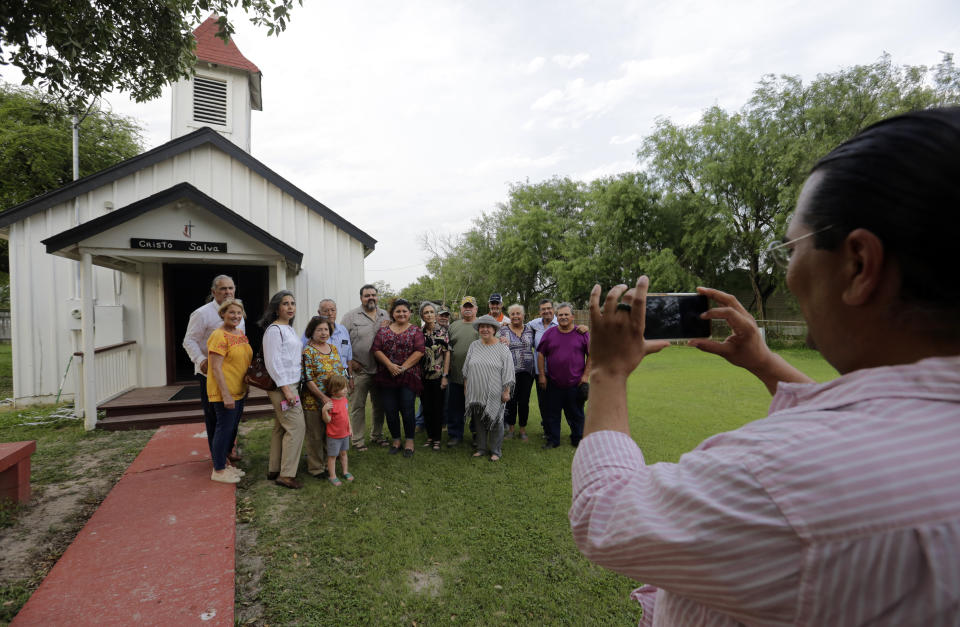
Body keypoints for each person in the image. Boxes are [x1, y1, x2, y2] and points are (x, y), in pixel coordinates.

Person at [570, 108, 960, 626]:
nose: (791, 273)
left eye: (791, 248)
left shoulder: (781, 476)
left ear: (860, 264)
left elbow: (606, 514)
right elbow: (879, 419)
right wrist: (766, 363)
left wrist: (607, 373)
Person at [183, 274, 245, 460]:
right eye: (223, 288)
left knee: (234, 416)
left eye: (231, 288)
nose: (228, 292)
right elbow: (189, 340)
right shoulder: (202, 313)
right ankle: (217, 456)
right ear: (213, 292)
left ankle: (228, 450)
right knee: (215, 418)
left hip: (234, 375)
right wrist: (201, 360)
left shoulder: (238, 312)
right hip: (211, 373)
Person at [260, 290, 305, 489]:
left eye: (292, 303)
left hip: (292, 383)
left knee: (281, 427)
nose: (290, 307)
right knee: (296, 427)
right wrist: (286, 389)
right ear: (277, 307)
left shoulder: (289, 328)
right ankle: (286, 475)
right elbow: (273, 362)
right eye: (285, 303)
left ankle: (274, 468)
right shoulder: (274, 330)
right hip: (283, 387)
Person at [205, 298, 252, 484]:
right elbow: (215, 367)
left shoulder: (240, 333)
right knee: (223, 430)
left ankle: (224, 465)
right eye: (231, 312)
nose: (235, 316)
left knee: (231, 429)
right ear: (222, 314)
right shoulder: (219, 335)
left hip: (239, 389)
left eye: (239, 313)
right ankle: (218, 470)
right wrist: (225, 394)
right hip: (225, 391)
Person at [371, 298, 425, 457]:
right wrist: (390, 365)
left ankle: (409, 440)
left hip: (408, 375)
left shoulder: (415, 331)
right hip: (387, 375)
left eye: (404, 311)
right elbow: (376, 349)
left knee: (407, 409)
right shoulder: (383, 330)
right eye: (398, 311)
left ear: (409, 313)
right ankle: (396, 440)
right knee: (390, 409)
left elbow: (420, 351)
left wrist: (402, 368)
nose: (401, 314)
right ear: (392, 314)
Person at [342, 284, 390, 451]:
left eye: (373, 295)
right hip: (359, 370)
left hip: (380, 370)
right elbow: (342, 343)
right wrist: (350, 363)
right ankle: (358, 440)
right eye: (367, 295)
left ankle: (377, 435)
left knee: (380, 405)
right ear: (361, 298)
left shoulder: (385, 315)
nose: (371, 298)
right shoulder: (350, 317)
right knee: (357, 406)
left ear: (377, 297)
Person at [537, 303, 590, 449]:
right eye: (560, 315)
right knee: (552, 414)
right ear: (556, 317)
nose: (563, 317)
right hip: (553, 382)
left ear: (572, 316)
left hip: (575, 383)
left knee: (576, 414)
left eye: (566, 314)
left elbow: (591, 355)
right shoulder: (549, 333)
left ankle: (578, 439)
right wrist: (542, 375)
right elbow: (541, 354)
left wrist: (585, 376)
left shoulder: (582, 333)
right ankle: (553, 440)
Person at [463, 314, 515, 461]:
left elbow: (508, 371)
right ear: (479, 329)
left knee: (496, 420)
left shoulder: (502, 348)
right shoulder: (474, 346)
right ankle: (481, 448)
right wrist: (466, 388)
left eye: (488, 327)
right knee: (478, 420)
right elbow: (466, 369)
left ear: (494, 329)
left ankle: (495, 451)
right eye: (482, 326)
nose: (485, 329)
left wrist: (506, 391)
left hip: (495, 391)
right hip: (476, 390)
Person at [301, 317, 346, 480]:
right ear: (311, 332)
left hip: (333, 400)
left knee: (331, 433)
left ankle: (330, 463)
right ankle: (316, 468)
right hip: (313, 401)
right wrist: (323, 397)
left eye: (326, 329)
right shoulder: (307, 351)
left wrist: (342, 391)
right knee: (315, 435)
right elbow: (308, 378)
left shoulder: (333, 349)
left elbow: (340, 371)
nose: (323, 333)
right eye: (319, 329)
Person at [445, 296, 479, 447]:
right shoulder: (454, 326)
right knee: (455, 407)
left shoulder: (482, 325)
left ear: (476, 309)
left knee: (477, 407)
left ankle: (478, 435)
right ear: (460, 309)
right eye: (465, 306)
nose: (467, 309)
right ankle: (455, 434)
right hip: (457, 375)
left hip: (477, 376)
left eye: (470, 306)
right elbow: (448, 349)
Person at [498, 304, 535, 441]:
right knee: (511, 401)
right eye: (512, 314)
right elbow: (494, 343)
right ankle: (511, 429)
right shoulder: (503, 330)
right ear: (509, 316)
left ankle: (523, 429)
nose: (515, 316)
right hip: (510, 371)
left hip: (527, 372)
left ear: (523, 315)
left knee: (524, 401)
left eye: (518, 313)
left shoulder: (530, 329)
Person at [418, 301, 449, 451]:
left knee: (437, 408)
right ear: (422, 315)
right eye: (426, 312)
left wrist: (445, 375)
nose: (429, 315)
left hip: (438, 376)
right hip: (423, 376)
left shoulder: (442, 331)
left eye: (431, 312)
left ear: (435, 315)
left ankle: (437, 438)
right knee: (426, 407)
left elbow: (447, 353)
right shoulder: (419, 332)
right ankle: (429, 436)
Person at [302, 299, 353, 373]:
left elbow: (349, 357)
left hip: (343, 376)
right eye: (326, 311)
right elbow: (303, 355)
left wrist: (351, 377)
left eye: (333, 310)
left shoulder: (343, 330)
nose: (330, 313)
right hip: (321, 377)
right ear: (319, 313)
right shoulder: (312, 331)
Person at [321, 373, 353, 487]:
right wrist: (324, 411)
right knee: (333, 456)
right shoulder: (330, 404)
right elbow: (328, 420)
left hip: (344, 434)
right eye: (343, 388)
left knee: (344, 454)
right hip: (334, 436)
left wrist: (350, 428)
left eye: (346, 386)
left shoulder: (344, 400)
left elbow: (346, 415)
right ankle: (333, 476)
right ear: (334, 391)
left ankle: (345, 471)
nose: (346, 389)